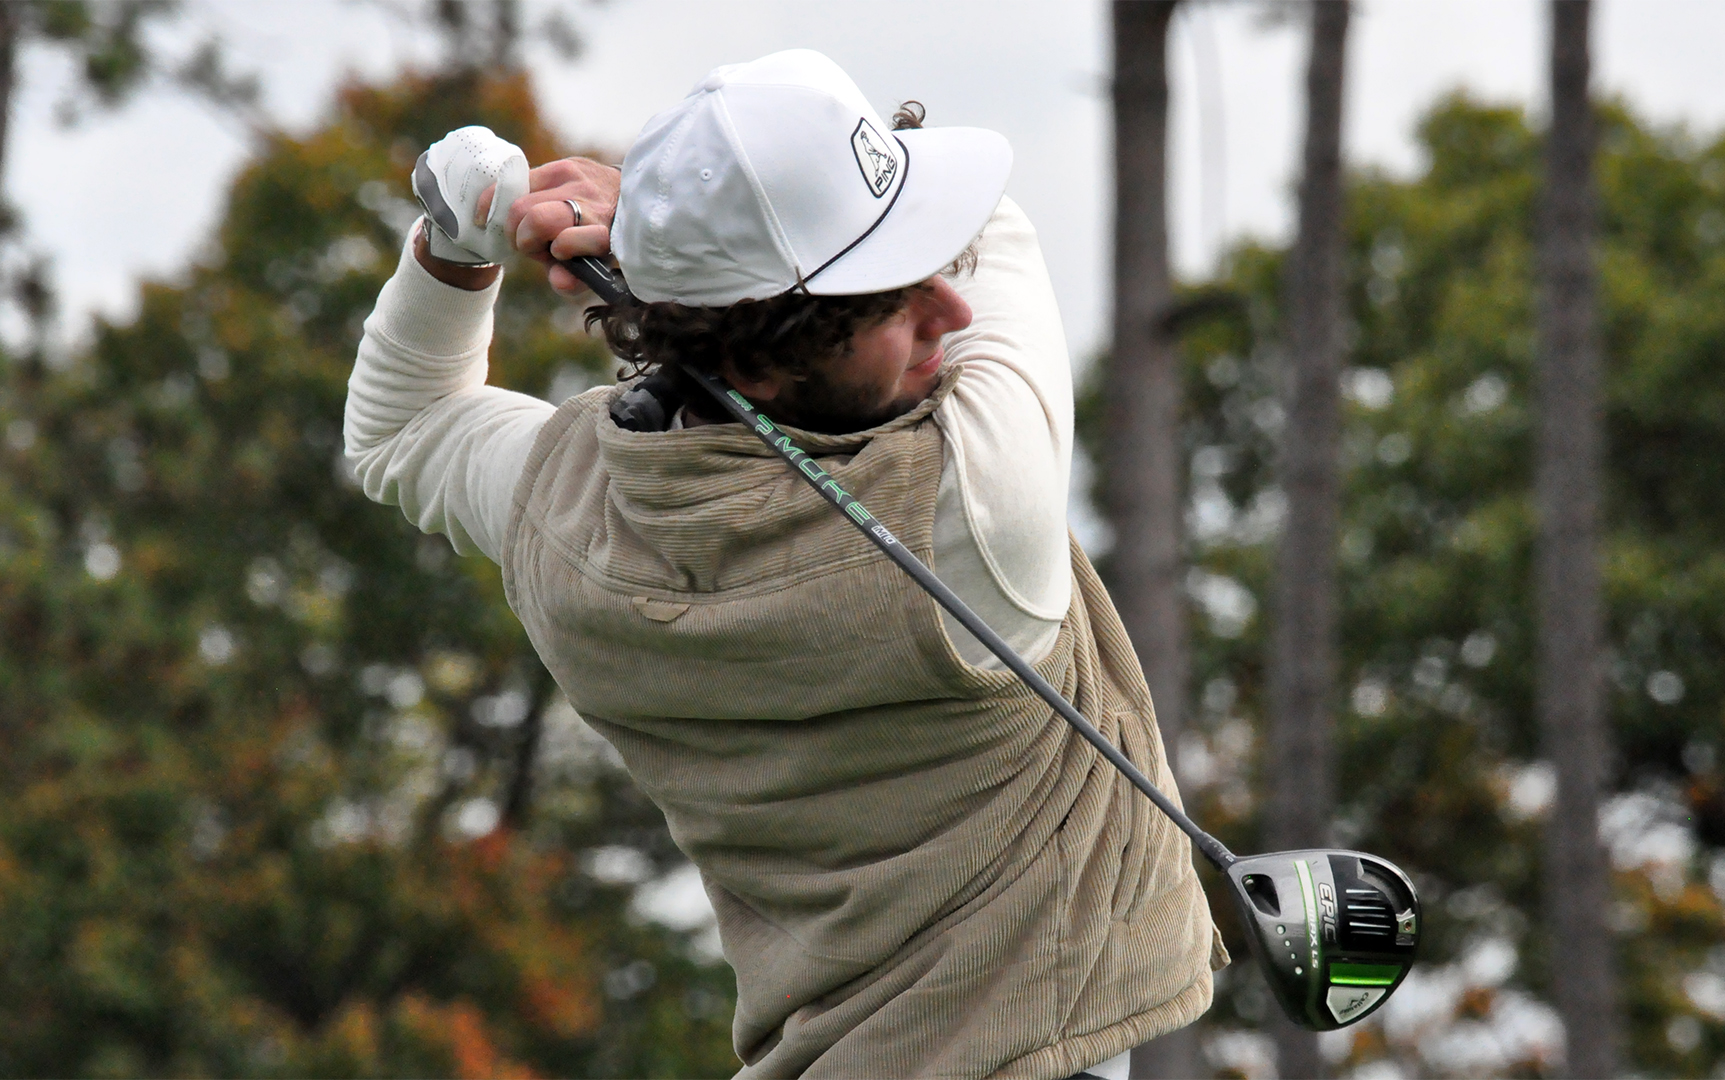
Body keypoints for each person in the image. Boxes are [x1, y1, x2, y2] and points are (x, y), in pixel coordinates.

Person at [345, 49, 1223, 1080]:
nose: (953, 313)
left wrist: (461, 244)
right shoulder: (980, 497)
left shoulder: (567, 519)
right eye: (891, 306)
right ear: (762, 353)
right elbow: (995, 223)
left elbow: (401, 428)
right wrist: (650, 227)